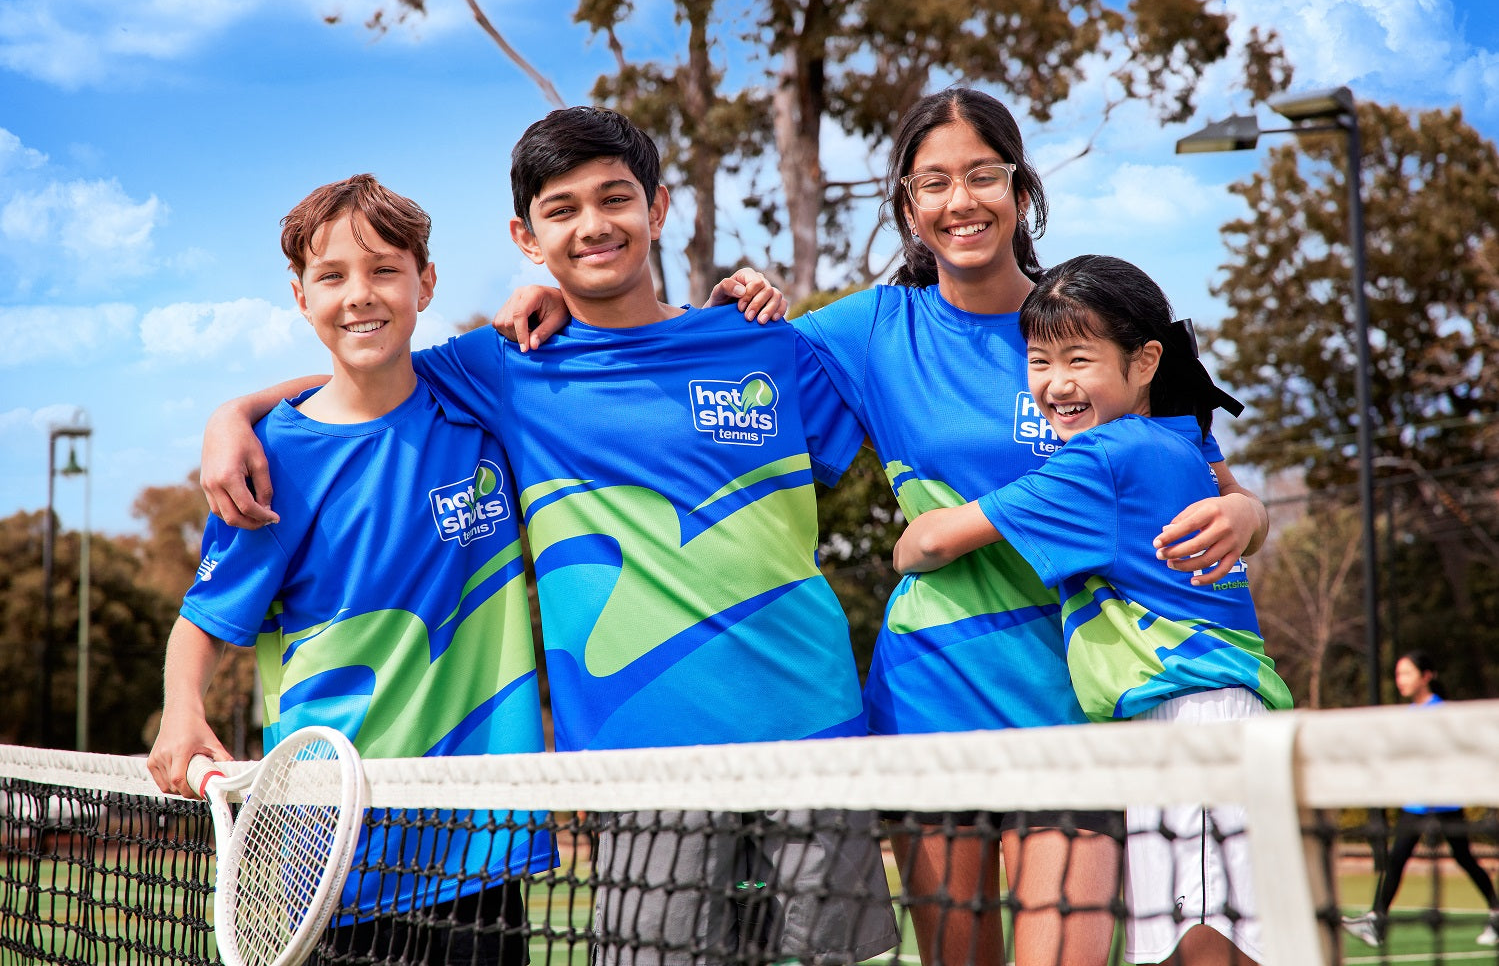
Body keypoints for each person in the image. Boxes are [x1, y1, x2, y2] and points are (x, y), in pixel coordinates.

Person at [495, 87, 1270, 966]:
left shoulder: (1092, 318)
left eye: (983, 175)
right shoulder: (866, 329)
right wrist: (556, 300)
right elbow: (696, 356)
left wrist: (1246, 515)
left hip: (1075, 704)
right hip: (931, 695)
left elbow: (1211, 492)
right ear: (907, 205)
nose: (959, 200)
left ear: (1021, 191)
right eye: (932, 182)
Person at [197, 107, 898, 966]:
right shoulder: (504, 367)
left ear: (661, 207)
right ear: (526, 237)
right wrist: (234, 412)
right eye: (561, 209)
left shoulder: (767, 347)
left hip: (815, 734)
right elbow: (368, 369)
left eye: (616, 199)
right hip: (638, 771)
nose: (594, 225)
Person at [147, 174, 554, 965]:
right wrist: (178, 710)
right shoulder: (273, 462)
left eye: (384, 270)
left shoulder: (476, 389)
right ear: (301, 297)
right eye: (331, 276)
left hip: (479, 844)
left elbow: (591, 324)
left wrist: (551, 290)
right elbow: (202, 621)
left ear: (425, 283)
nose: (360, 295)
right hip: (331, 856)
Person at [893, 253, 1292, 966]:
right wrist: (1248, 508)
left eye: (1078, 358)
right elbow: (1240, 504)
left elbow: (925, 544)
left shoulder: (1098, 460)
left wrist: (917, 523)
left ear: (1144, 363)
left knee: (1204, 951)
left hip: (1190, 724)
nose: (1056, 383)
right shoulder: (1178, 438)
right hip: (1195, 722)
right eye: (1039, 362)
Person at [1342, 650, 1499, 948]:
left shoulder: (1442, 711)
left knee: (1463, 857)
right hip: (1416, 802)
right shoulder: (1408, 714)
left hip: (1444, 800)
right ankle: (1377, 921)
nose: (1400, 680)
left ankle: (1496, 911)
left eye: (1406, 673)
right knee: (1396, 858)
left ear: (1426, 676)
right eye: (1398, 674)